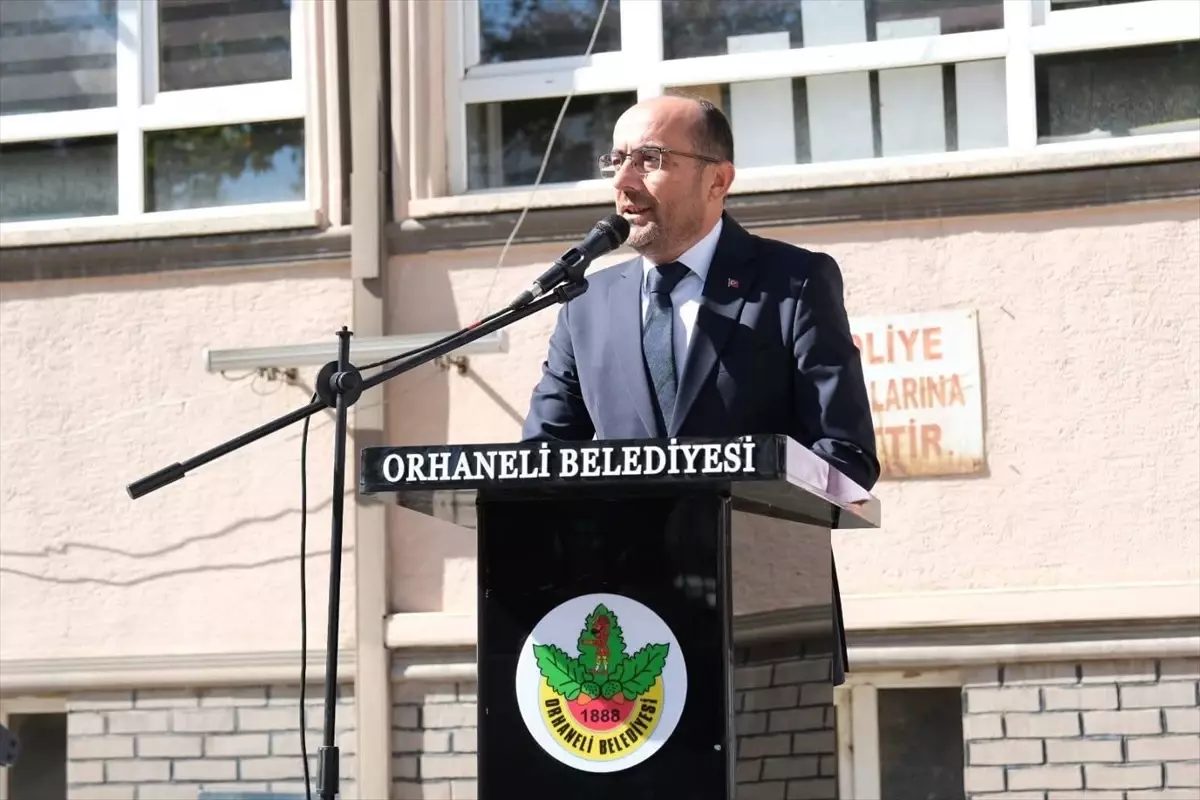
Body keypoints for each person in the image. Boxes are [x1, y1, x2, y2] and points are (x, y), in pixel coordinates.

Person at [521, 95, 879, 683]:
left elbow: (846, 457)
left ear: (718, 180)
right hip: (621, 625)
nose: (624, 182)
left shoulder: (793, 284)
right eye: (616, 160)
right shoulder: (586, 304)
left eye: (650, 159)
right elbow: (541, 461)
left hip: (765, 625)